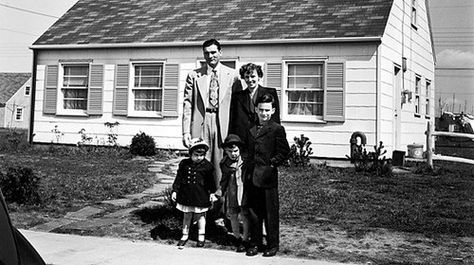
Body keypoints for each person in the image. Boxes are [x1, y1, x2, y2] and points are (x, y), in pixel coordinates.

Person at [182, 39, 240, 188]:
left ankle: (219, 203)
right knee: (201, 161)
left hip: (223, 122)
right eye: (206, 53)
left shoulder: (232, 75)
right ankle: (200, 203)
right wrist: (185, 132)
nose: (210, 56)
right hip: (202, 120)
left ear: (220, 52)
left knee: (221, 162)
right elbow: (188, 104)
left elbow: (237, 105)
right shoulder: (194, 75)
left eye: (213, 52)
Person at [244, 94, 290, 257]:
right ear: (256, 110)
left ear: (273, 110)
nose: (264, 113)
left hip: (268, 177)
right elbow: (247, 149)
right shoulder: (251, 128)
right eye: (261, 110)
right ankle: (255, 243)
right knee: (254, 212)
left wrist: (272, 164)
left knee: (270, 212)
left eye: (267, 110)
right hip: (252, 176)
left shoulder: (277, 129)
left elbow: (284, 151)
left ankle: (272, 244)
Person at [171, 138, 216, 249]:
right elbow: (179, 178)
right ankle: (184, 235)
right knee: (187, 215)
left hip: (201, 195)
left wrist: (212, 193)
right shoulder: (184, 164)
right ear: (190, 153)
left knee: (200, 216)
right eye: (196, 155)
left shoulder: (208, 166)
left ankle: (201, 236)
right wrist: (175, 190)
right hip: (186, 194)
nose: (199, 158)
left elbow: (211, 182)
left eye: (201, 155)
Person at [229, 63, 280, 147]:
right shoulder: (237, 96)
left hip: (263, 137)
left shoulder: (270, 93)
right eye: (247, 77)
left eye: (253, 76)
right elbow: (233, 120)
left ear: (259, 77)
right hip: (243, 139)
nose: (250, 80)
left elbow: (275, 118)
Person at [214, 134, 250, 252]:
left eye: (235, 151)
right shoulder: (224, 163)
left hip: (244, 193)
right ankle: (237, 238)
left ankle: (246, 239)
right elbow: (224, 180)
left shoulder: (245, 160)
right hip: (232, 193)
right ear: (225, 151)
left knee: (245, 216)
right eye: (230, 151)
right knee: (233, 216)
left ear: (239, 149)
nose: (233, 154)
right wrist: (220, 190)